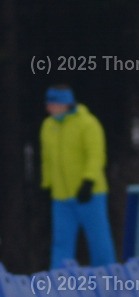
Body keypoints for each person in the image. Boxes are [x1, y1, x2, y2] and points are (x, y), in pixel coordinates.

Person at [40, 85, 117, 268]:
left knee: (98, 240)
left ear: (65, 104)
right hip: (61, 196)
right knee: (61, 242)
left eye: (53, 104)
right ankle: (58, 283)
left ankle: (108, 279)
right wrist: (47, 184)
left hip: (89, 193)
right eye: (48, 104)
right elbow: (47, 159)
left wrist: (88, 181)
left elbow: (96, 155)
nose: (49, 108)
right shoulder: (48, 126)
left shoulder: (87, 124)